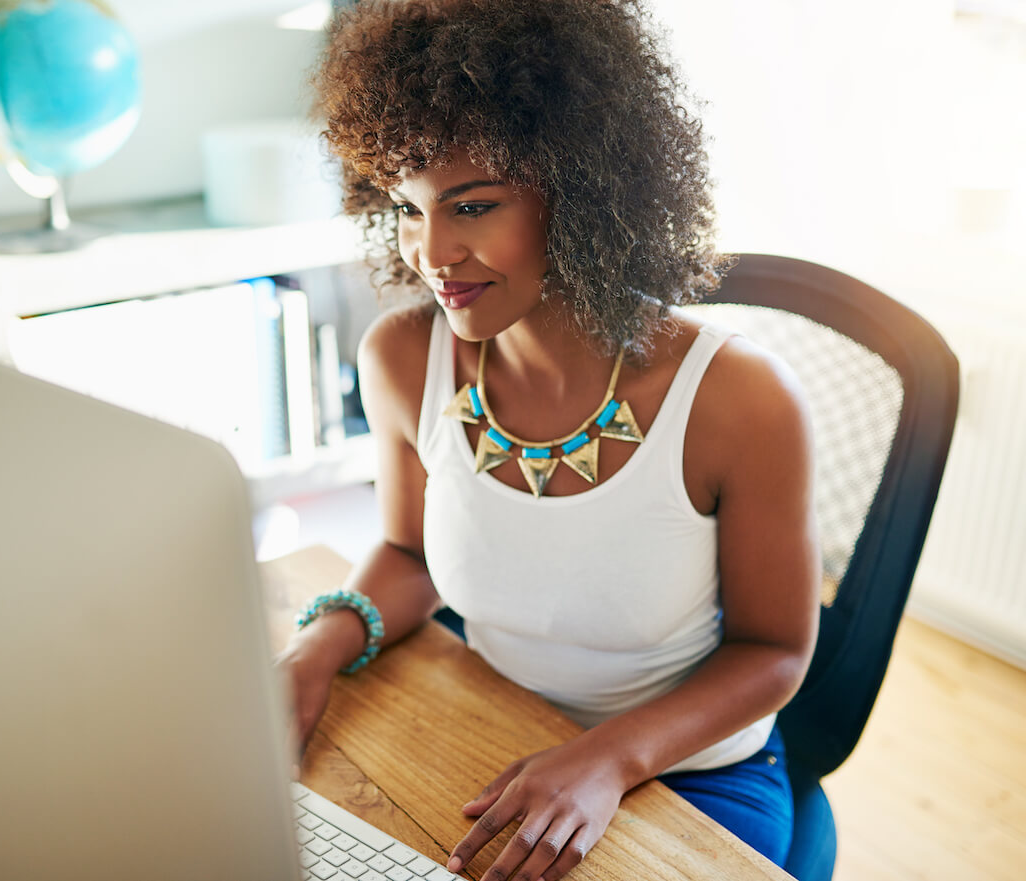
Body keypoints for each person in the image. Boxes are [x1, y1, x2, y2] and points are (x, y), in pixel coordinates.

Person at [276, 0, 821, 878]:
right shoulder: (405, 355)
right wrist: (313, 649)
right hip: (492, 724)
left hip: (690, 772)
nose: (433, 252)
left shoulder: (738, 398)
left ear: (582, 186)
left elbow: (775, 652)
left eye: (474, 205)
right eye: (407, 209)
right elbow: (408, 551)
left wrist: (610, 756)